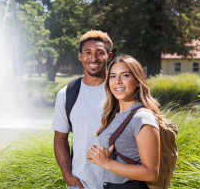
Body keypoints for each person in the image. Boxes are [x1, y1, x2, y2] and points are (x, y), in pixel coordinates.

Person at [86, 55, 165, 189]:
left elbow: (151, 173)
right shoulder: (113, 115)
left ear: (138, 81)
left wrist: (106, 163)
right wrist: (99, 155)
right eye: (112, 76)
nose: (118, 81)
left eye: (125, 75)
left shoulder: (141, 118)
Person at [52, 30, 113, 189]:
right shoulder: (66, 94)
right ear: (80, 56)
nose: (93, 58)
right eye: (88, 53)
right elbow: (60, 139)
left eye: (100, 53)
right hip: (80, 185)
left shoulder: (120, 91)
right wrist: (68, 177)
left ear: (109, 56)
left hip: (119, 184)